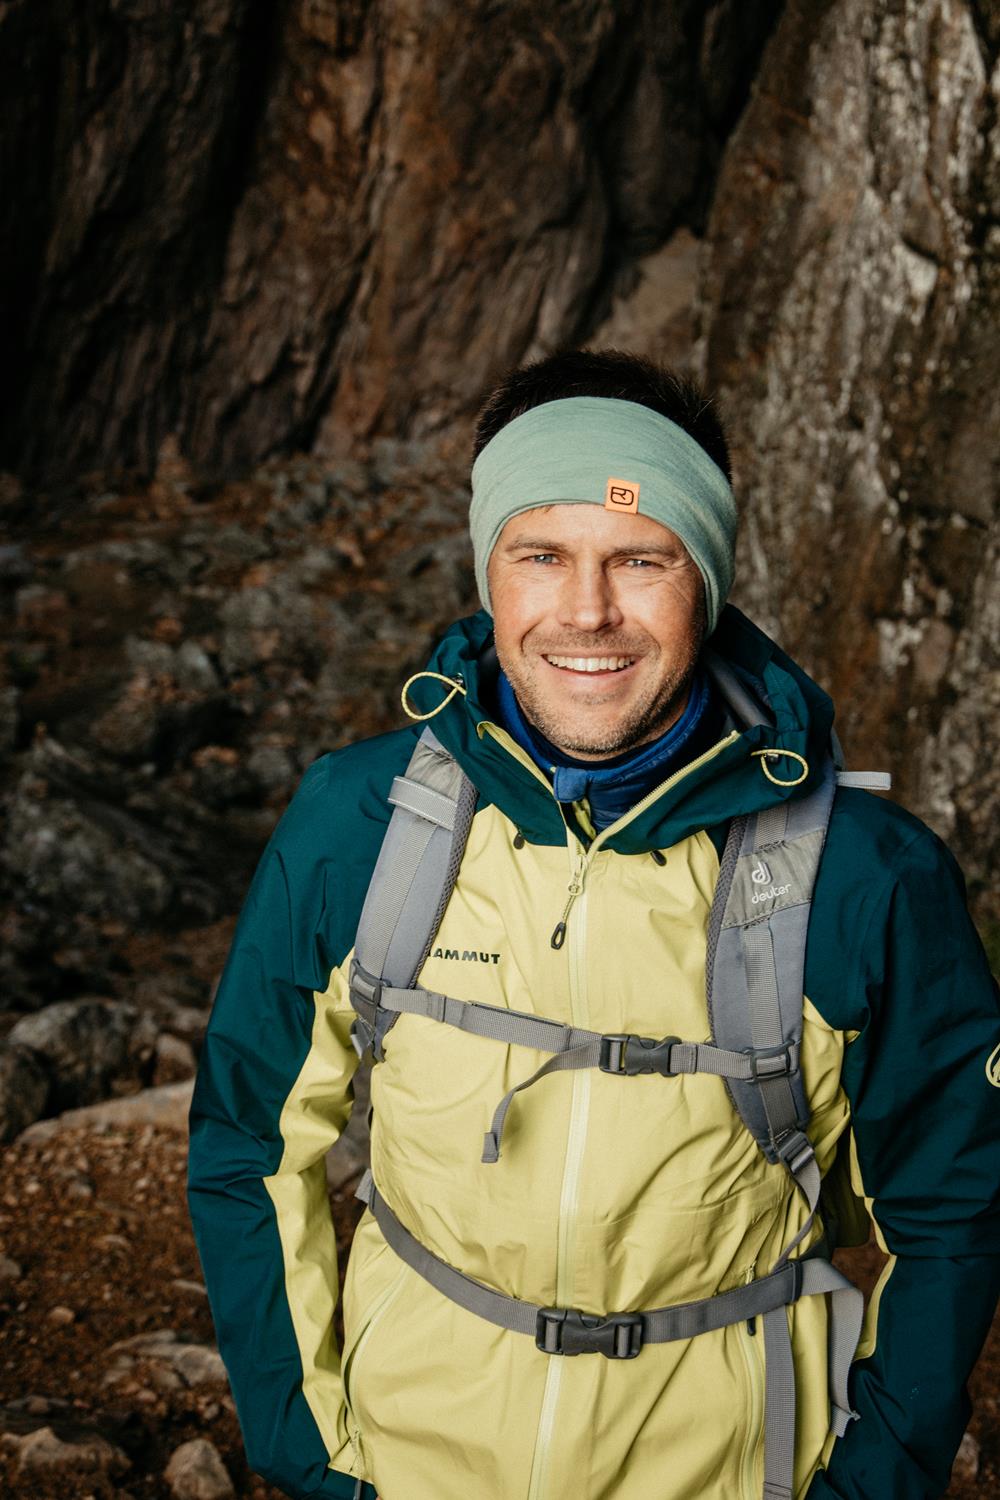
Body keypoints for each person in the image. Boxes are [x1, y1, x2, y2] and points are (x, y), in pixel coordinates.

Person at [187, 347, 1000, 1500]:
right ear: (488, 571)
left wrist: (871, 1481)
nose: (586, 611)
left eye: (639, 558)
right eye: (541, 554)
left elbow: (954, 1211)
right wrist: (310, 1455)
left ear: (705, 578)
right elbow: (251, 1146)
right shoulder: (357, 824)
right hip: (409, 1466)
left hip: (733, 1472)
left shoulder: (866, 876)